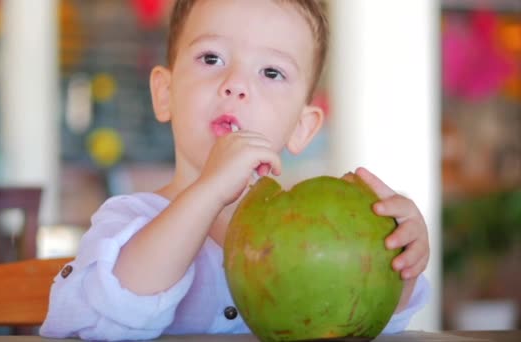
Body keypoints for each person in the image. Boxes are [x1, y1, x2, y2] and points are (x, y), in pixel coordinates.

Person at [40, 0, 431, 340]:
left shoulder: (312, 236)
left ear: (302, 127)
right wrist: (211, 190)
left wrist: (400, 267)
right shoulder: (127, 223)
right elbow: (105, 318)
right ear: (164, 93)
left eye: (271, 72)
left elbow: (352, 321)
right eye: (211, 58)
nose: (236, 84)